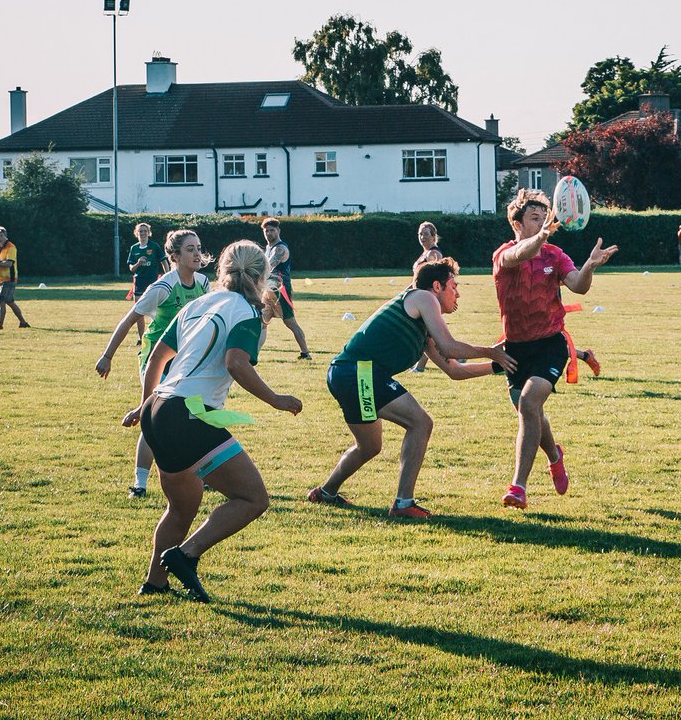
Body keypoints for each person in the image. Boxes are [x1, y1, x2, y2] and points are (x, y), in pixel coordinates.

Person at [123, 240, 302, 601]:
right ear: (262, 275)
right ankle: (186, 556)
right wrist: (276, 400)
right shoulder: (246, 312)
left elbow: (156, 357)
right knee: (253, 499)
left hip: (159, 410)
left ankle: (154, 582)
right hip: (188, 414)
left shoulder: (199, 303)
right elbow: (236, 363)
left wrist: (144, 408)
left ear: (222, 270)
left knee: (182, 507)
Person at [309, 258, 516, 518]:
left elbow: (454, 370)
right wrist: (492, 352)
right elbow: (450, 346)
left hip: (349, 373)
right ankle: (403, 504)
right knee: (420, 423)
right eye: (455, 286)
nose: (459, 293)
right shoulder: (423, 297)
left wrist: (499, 366)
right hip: (357, 372)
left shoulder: (423, 327)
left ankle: (325, 492)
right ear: (437, 286)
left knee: (369, 447)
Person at [493, 188, 618, 510]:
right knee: (530, 413)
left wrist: (590, 265)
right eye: (535, 219)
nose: (542, 224)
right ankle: (554, 454)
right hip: (515, 347)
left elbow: (578, 286)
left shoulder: (554, 255)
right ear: (517, 223)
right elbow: (520, 254)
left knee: (529, 401)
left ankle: (518, 487)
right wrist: (542, 234)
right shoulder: (504, 254)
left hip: (551, 342)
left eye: (544, 218)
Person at [97, 229, 212, 498]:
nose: (197, 254)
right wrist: (107, 355)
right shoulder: (162, 287)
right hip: (156, 357)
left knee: (195, 416)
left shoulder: (204, 284)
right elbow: (128, 321)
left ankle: (202, 475)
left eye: (198, 248)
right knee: (154, 419)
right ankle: (139, 484)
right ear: (174, 257)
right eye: (190, 249)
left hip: (185, 360)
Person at [261, 217, 311, 359]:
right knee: (262, 321)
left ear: (278, 231)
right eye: (266, 231)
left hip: (280, 289)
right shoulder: (268, 248)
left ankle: (305, 353)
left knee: (290, 322)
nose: (269, 233)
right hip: (268, 290)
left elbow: (268, 267)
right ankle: (253, 355)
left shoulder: (280, 249)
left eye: (272, 230)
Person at [410, 221, 446, 372]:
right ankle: (456, 356)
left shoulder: (433, 254)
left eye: (425, 234)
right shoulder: (425, 253)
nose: (422, 237)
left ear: (433, 236)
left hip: (428, 298)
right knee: (428, 332)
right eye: (420, 234)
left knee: (427, 333)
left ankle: (420, 367)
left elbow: (435, 277)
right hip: (420, 297)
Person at [127, 223, 168, 344]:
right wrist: (138, 263)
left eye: (145, 231)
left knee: (157, 312)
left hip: (153, 283)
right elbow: (131, 268)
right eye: (141, 231)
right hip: (139, 282)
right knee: (139, 311)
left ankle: (158, 337)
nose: (143, 233)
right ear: (136, 233)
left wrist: (168, 275)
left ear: (148, 233)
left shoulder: (154, 246)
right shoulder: (134, 248)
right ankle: (141, 338)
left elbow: (163, 261)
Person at [0, 226, 30, 330]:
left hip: (10, 278)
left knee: (1, 299)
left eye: (1, 235)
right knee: (9, 301)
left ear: (5, 236)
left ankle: (0, 325)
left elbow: (9, 263)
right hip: (0, 278)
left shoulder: (11, 247)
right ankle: (23, 322)